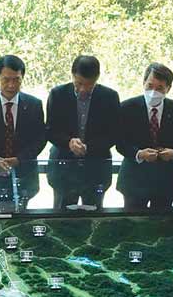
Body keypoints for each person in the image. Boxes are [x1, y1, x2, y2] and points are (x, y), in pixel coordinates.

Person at [0, 55, 47, 212]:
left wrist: (20, 159)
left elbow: (40, 139)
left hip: (24, 175)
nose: (11, 85)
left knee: (20, 226)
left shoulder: (34, 104)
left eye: (16, 79)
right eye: (6, 79)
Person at [45, 55, 121, 210]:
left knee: (93, 218)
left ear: (97, 78)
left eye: (89, 85)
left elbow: (114, 134)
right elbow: (50, 130)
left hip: (96, 168)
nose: (83, 89)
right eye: (79, 83)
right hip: (63, 168)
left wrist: (88, 147)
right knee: (60, 218)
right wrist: (69, 142)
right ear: (72, 75)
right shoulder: (57, 94)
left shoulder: (110, 97)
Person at [116, 62, 173, 210]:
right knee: (132, 226)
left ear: (168, 88)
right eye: (150, 86)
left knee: (162, 227)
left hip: (165, 182)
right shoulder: (126, 108)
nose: (153, 92)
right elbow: (120, 142)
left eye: (160, 88)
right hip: (134, 181)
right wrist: (139, 154)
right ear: (143, 83)